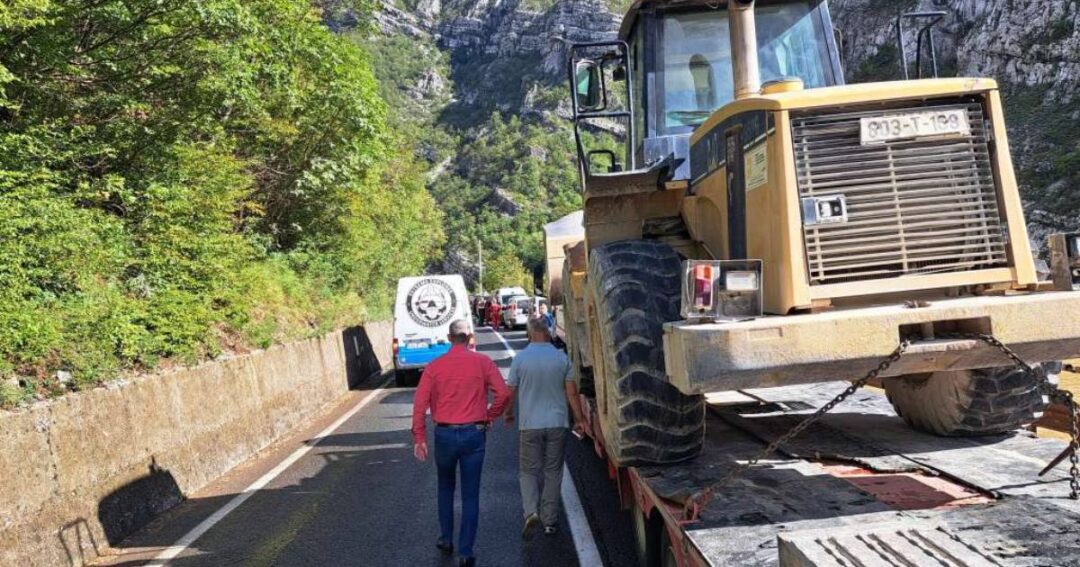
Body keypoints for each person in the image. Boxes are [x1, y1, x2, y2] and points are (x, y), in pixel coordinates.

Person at [412, 320, 512, 567]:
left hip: (444, 435)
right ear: (469, 338)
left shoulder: (434, 367)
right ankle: (466, 552)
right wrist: (490, 416)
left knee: (445, 488)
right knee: (470, 495)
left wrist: (419, 438)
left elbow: (419, 404)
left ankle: (446, 539)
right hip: (473, 434)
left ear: (449, 338)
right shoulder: (483, 363)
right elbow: (504, 393)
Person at [504, 317, 586, 538]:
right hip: (557, 423)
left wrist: (509, 413)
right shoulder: (561, 359)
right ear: (548, 333)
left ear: (530, 334)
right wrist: (579, 419)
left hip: (530, 425)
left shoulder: (520, 359)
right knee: (553, 472)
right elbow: (571, 392)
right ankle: (550, 521)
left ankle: (531, 511)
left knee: (528, 471)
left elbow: (510, 391)